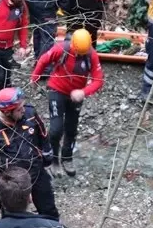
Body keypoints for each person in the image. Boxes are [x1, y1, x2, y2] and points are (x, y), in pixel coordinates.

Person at [30, 28, 103, 178]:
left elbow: (98, 80)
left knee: (71, 128)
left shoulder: (91, 55)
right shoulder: (62, 48)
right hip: (57, 90)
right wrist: (35, 76)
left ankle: (67, 157)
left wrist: (84, 92)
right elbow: (44, 59)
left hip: (76, 95)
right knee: (56, 129)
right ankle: (53, 159)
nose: (80, 55)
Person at [0, 87, 59, 219]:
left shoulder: (30, 113)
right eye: (18, 109)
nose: (23, 110)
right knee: (11, 217)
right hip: (11, 182)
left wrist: (47, 157)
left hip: (36, 170)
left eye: (23, 106)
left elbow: (42, 135)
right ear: (7, 112)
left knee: (49, 209)